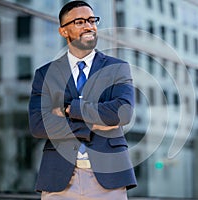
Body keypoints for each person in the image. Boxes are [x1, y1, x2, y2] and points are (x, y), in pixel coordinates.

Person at [28, 1, 137, 199]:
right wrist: (95, 123)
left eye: (91, 20)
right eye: (79, 22)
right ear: (63, 31)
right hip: (58, 179)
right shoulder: (45, 74)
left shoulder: (117, 68)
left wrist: (70, 110)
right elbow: (38, 125)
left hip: (110, 178)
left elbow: (123, 112)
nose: (88, 26)